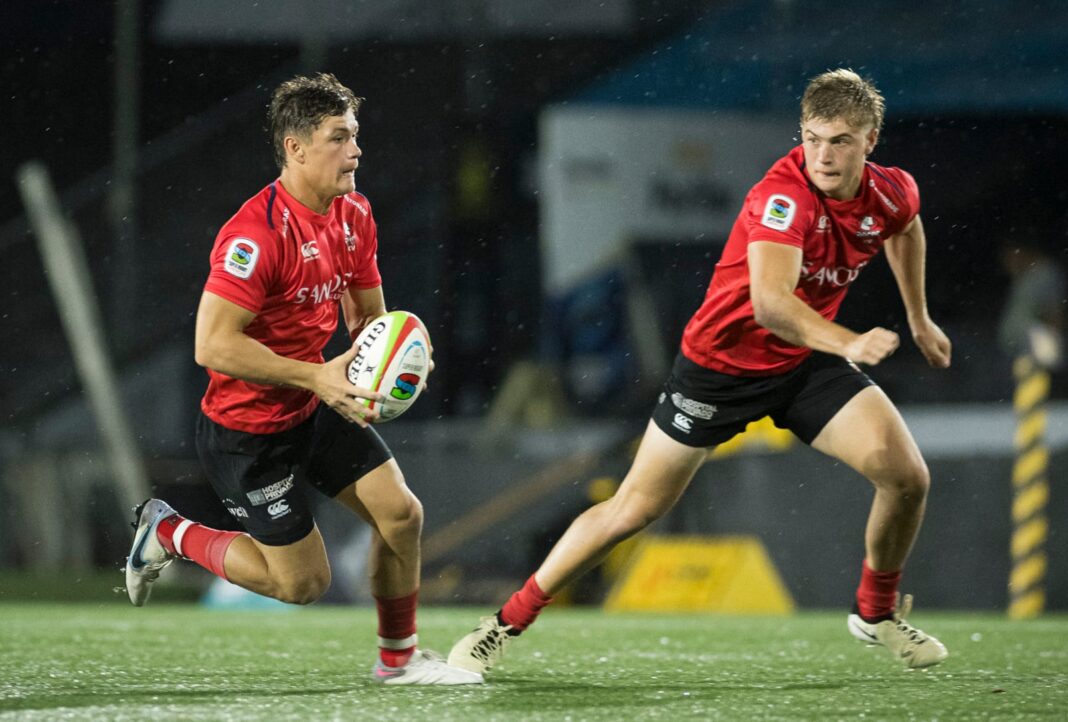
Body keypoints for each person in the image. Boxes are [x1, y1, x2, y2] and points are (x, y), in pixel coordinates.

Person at [449, 69, 952, 674]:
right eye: (813, 138)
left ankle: (875, 614)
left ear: (870, 142)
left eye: (840, 141)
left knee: (906, 476)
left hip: (803, 362)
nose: (822, 154)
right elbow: (771, 304)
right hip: (720, 368)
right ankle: (502, 624)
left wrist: (919, 318)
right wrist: (847, 340)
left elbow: (903, 227)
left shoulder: (892, 191)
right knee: (632, 510)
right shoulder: (782, 195)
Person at [124, 72, 482, 686]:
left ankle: (396, 661)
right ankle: (170, 530)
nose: (356, 151)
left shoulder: (354, 214)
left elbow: (369, 320)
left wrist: (392, 369)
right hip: (248, 433)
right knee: (303, 583)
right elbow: (211, 345)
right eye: (340, 138)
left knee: (401, 515)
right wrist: (317, 376)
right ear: (296, 147)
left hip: (314, 405)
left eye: (356, 136)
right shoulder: (254, 236)